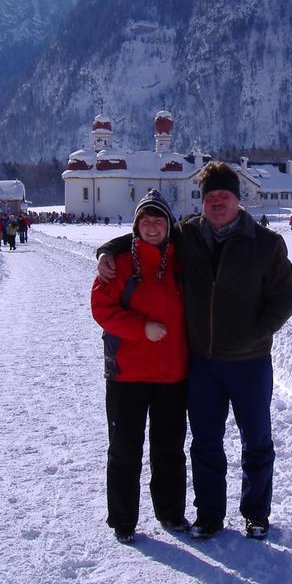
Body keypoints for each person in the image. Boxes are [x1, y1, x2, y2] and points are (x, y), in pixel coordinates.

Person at [97, 161, 292, 541]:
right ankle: (210, 516)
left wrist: (255, 332)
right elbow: (147, 234)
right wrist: (107, 249)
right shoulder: (188, 235)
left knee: (256, 441)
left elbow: (289, 297)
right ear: (203, 202)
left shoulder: (266, 243)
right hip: (203, 363)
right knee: (205, 443)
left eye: (224, 195)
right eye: (211, 196)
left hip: (249, 362)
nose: (217, 202)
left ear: (238, 200)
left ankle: (256, 514)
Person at [91, 190, 189, 544]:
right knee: (124, 449)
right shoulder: (118, 262)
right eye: (145, 220)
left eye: (159, 219)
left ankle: (171, 514)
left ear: (169, 224)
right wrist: (141, 329)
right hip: (127, 374)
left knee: (169, 449)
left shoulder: (183, 258)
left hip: (171, 373)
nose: (152, 226)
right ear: (136, 225)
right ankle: (123, 520)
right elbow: (102, 310)